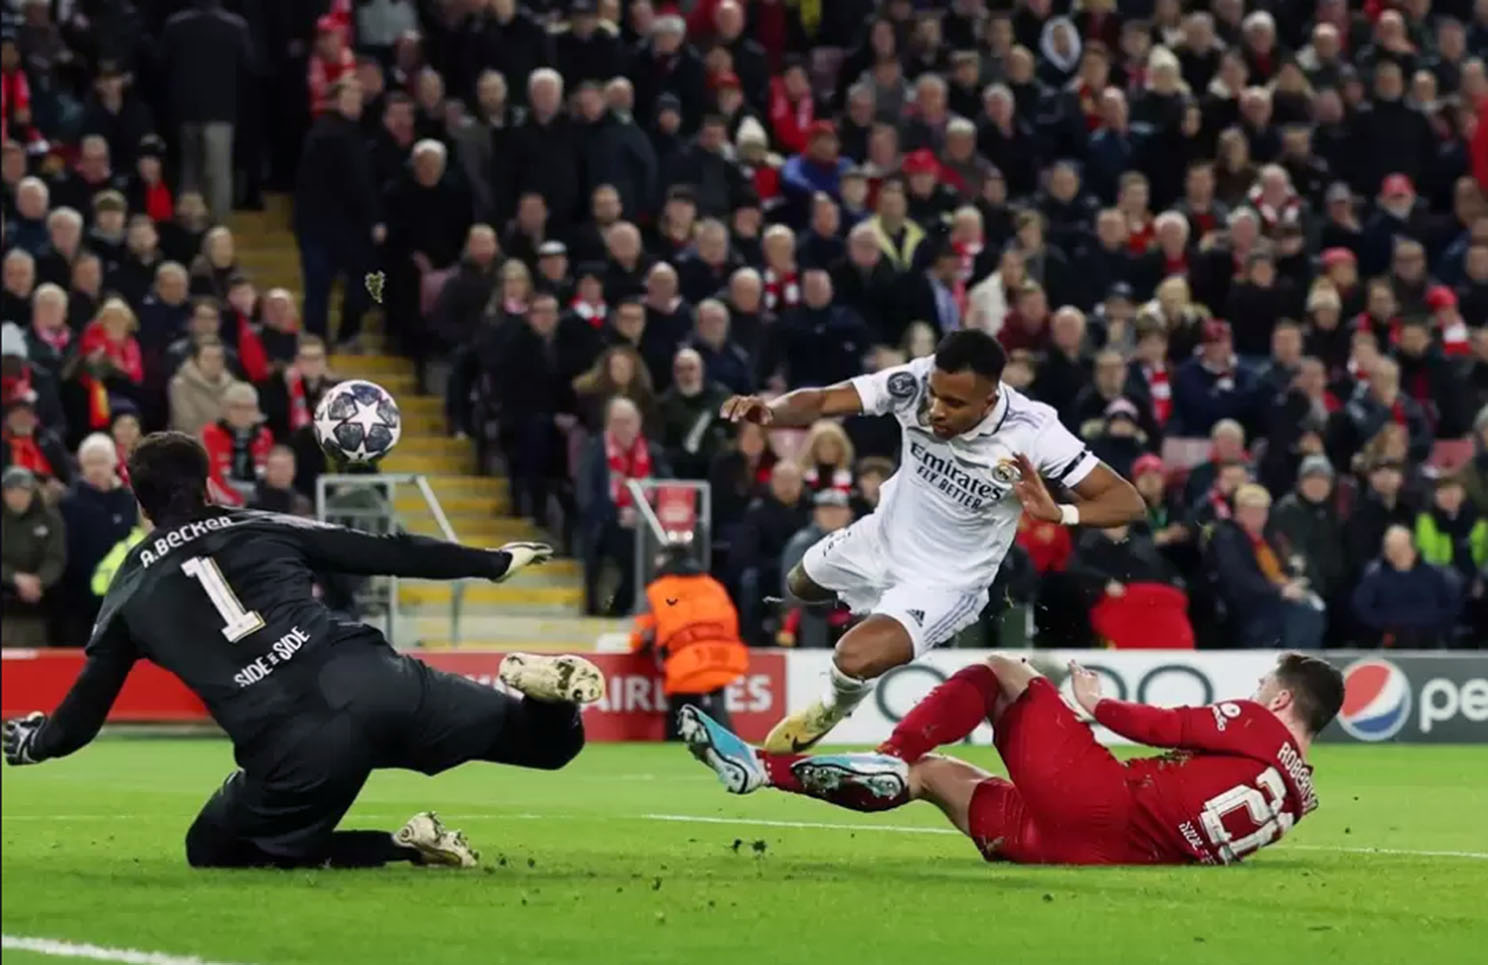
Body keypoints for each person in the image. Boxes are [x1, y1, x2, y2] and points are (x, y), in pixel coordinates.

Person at [3, 431, 604, 870]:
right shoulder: (259, 524)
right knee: (552, 747)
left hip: (294, 743)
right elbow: (387, 551)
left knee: (214, 849)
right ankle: (546, 697)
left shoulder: (129, 588)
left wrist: (35, 743)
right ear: (210, 484)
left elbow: (82, 715)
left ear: (140, 504)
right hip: (375, 679)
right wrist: (494, 562)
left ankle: (399, 847)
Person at [720, 330, 1143, 752]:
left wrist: (1062, 514)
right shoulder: (915, 383)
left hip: (946, 581)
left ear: (990, 401)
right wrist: (771, 411)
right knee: (799, 585)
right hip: (878, 538)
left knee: (852, 658)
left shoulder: (1033, 432)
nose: (937, 410)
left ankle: (835, 704)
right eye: (936, 396)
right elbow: (826, 400)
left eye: (955, 404)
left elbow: (1128, 501)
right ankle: (869, 616)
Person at [681, 650, 1342, 867]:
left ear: (1282, 696)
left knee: (1002, 670)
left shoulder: (1258, 724)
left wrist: (1098, 704)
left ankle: (889, 753)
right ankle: (759, 767)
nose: (1253, 692)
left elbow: (1169, 722)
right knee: (935, 776)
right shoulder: (1297, 796)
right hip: (1095, 853)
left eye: (1262, 686)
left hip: (1102, 803)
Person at [629, 543, 749, 739]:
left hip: (687, 661)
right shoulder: (713, 586)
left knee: (682, 715)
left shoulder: (657, 590)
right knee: (715, 707)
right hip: (725, 658)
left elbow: (641, 635)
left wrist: (640, 647)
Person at [1351, 525, 1461, 647]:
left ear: (1412, 548)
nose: (1393, 551)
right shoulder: (1374, 576)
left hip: (1430, 638)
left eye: (1398, 547)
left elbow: (1451, 605)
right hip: (1389, 639)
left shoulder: (1435, 574)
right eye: (1389, 547)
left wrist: (1433, 621)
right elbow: (1363, 607)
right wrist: (1387, 623)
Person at [1, 466, 65, 647]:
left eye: (23, 490)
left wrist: (38, 581)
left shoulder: (50, 519)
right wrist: (14, 578)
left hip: (40, 606)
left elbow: (56, 557)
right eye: (11, 490)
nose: (17, 496)